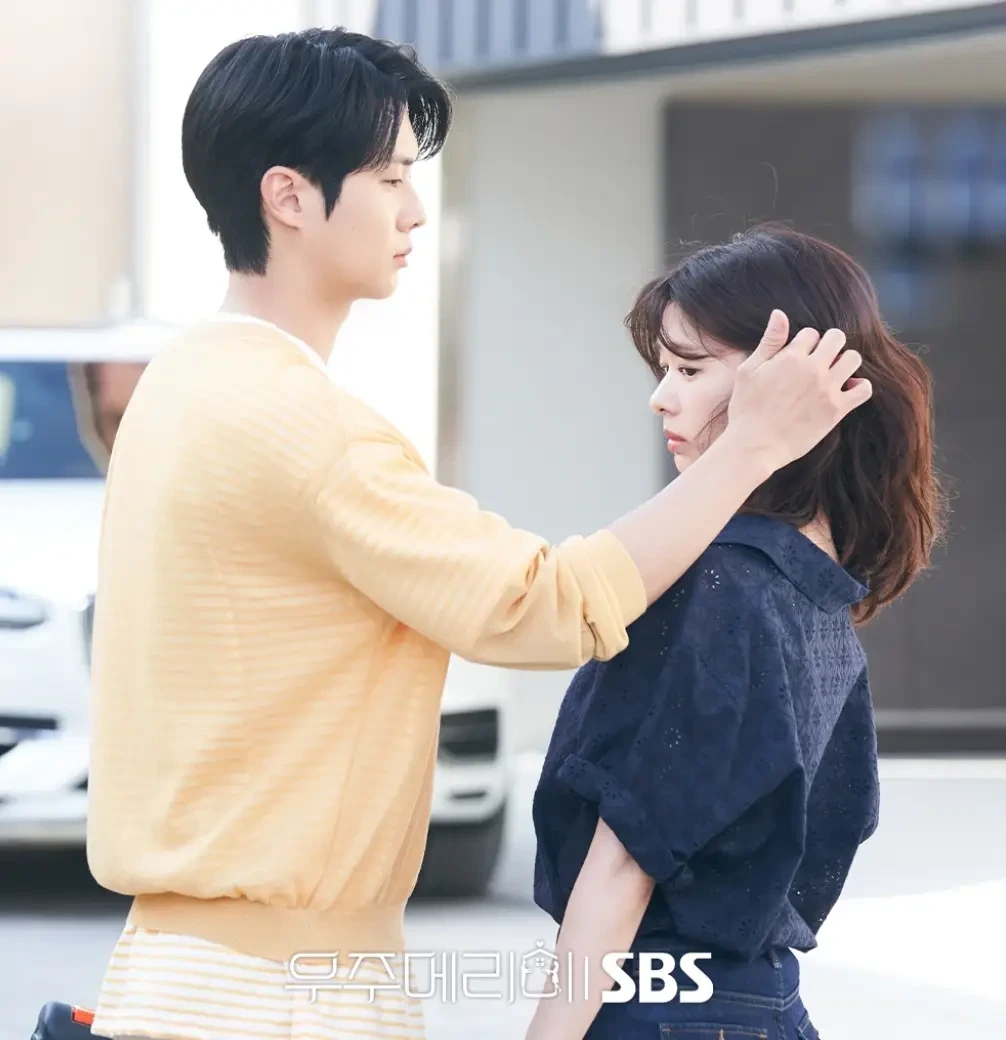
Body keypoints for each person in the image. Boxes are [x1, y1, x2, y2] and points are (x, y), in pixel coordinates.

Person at [82, 27, 870, 1040]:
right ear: (289, 197)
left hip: (172, 968)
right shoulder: (301, 425)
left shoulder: (180, 387)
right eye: (389, 178)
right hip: (279, 993)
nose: (414, 210)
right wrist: (751, 446)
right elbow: (546, 603)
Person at [527, 226, 946, 1040]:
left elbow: (624, 863)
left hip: (664, 1006)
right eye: (663, 370)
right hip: (761, 1002)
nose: (661, 397)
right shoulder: (812, 583)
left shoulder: (718, 584)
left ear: (788, 384)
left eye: (689, 369)